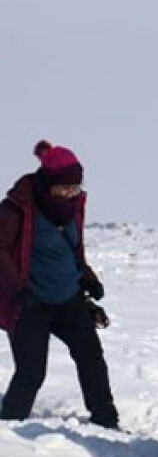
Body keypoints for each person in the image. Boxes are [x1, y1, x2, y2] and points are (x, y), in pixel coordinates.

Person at [0, 141, 118, 428]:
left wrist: (88, 277)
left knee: (91, 358)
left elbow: (71, 249)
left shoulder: (74, 207)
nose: (70, 193)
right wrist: (18, 289)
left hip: (69, 297)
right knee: (31, 372)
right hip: (30, 301)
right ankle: (8, 430)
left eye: (75, 187)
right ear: (48, 183)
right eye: (65, 187)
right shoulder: (17, 207)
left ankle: (106, 421)